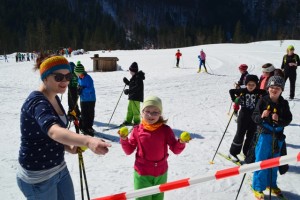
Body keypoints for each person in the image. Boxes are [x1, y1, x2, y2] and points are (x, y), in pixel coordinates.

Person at [17, 54, 111, 200]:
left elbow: (49, 137)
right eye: (59, 77)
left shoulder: (54, 97)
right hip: (38, 178)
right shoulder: (37, 103)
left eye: (68, 76)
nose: (65, 81)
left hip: (59, 168)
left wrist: (69, 147)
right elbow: (53, 131)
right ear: (45, 77)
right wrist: (87, 140)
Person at [118, 96, 190, 200]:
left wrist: (181, 142)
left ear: (160, 113)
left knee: (158, 198)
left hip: (161, 172)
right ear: (142, 112)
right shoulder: (137, 130)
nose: (151, 115)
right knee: (142, 198)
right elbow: (129, 151)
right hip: (142, 173)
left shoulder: (165, 130)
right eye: (147, 111)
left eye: (155, 112)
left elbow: (175, 149)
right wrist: (124, 140)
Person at [251, 76, 292, 199]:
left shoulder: (284, 103)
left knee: (274, 162)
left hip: (277, 137)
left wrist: (279, 120)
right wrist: (262, 117)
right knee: (261, 161)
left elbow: (288, 119)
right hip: (264, 136)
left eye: (277, 88)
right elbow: (254, 117)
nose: (274, 90)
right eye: (272, 87)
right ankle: (257, 187)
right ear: (268, 88)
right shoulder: (263, 100)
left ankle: (271, 184)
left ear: (282, 90)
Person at [228, 75, 267, 162]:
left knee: (251, 136)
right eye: (249, 84)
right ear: (246, 84)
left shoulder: (259, 92)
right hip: (243, 116)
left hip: (254, 117)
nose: (251, 86)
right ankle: (232, 153)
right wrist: (235, 99)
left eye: (253, 84)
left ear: (256, 85)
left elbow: (266, 94)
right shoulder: (243, 91)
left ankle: (247, 152)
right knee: (240, 134)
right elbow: (231, 91)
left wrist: (263, 102)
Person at [75, 61, 96, 136]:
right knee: (83, 113)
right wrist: (78, 89)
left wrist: (82, 89)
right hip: (83, 99)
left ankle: (89, 127)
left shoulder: (88, 78)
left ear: (81, 72)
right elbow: (79, 86)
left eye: (77, 73)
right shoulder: (79, 78)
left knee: (90, 113)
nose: (77, 74)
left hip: (90, 99)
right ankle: (83, 127)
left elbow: (90, 88)